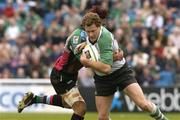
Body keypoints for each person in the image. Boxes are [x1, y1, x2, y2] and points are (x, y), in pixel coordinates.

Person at [17, 6, 122, 120]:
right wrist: (112, 58)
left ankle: (34, 99)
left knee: (68, 102)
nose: (103, 26)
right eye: (101, 22)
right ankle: (34, 100)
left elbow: (102, 51)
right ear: (94, 20)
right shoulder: (79, 36)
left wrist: (116, 54)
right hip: (61, 75)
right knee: (80, 108)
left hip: (70, 75)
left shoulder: (93, 35)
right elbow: (87, 61)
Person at [80, 12, 169, 120]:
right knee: (102, 117)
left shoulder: (105, 37)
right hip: (102, 78)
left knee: (143, 104)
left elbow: (106, 68)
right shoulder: (85, 35)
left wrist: (87, 62)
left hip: (120, 72)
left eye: (93, 31)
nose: (90, 34)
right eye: (87, 31)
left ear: (100, 26)